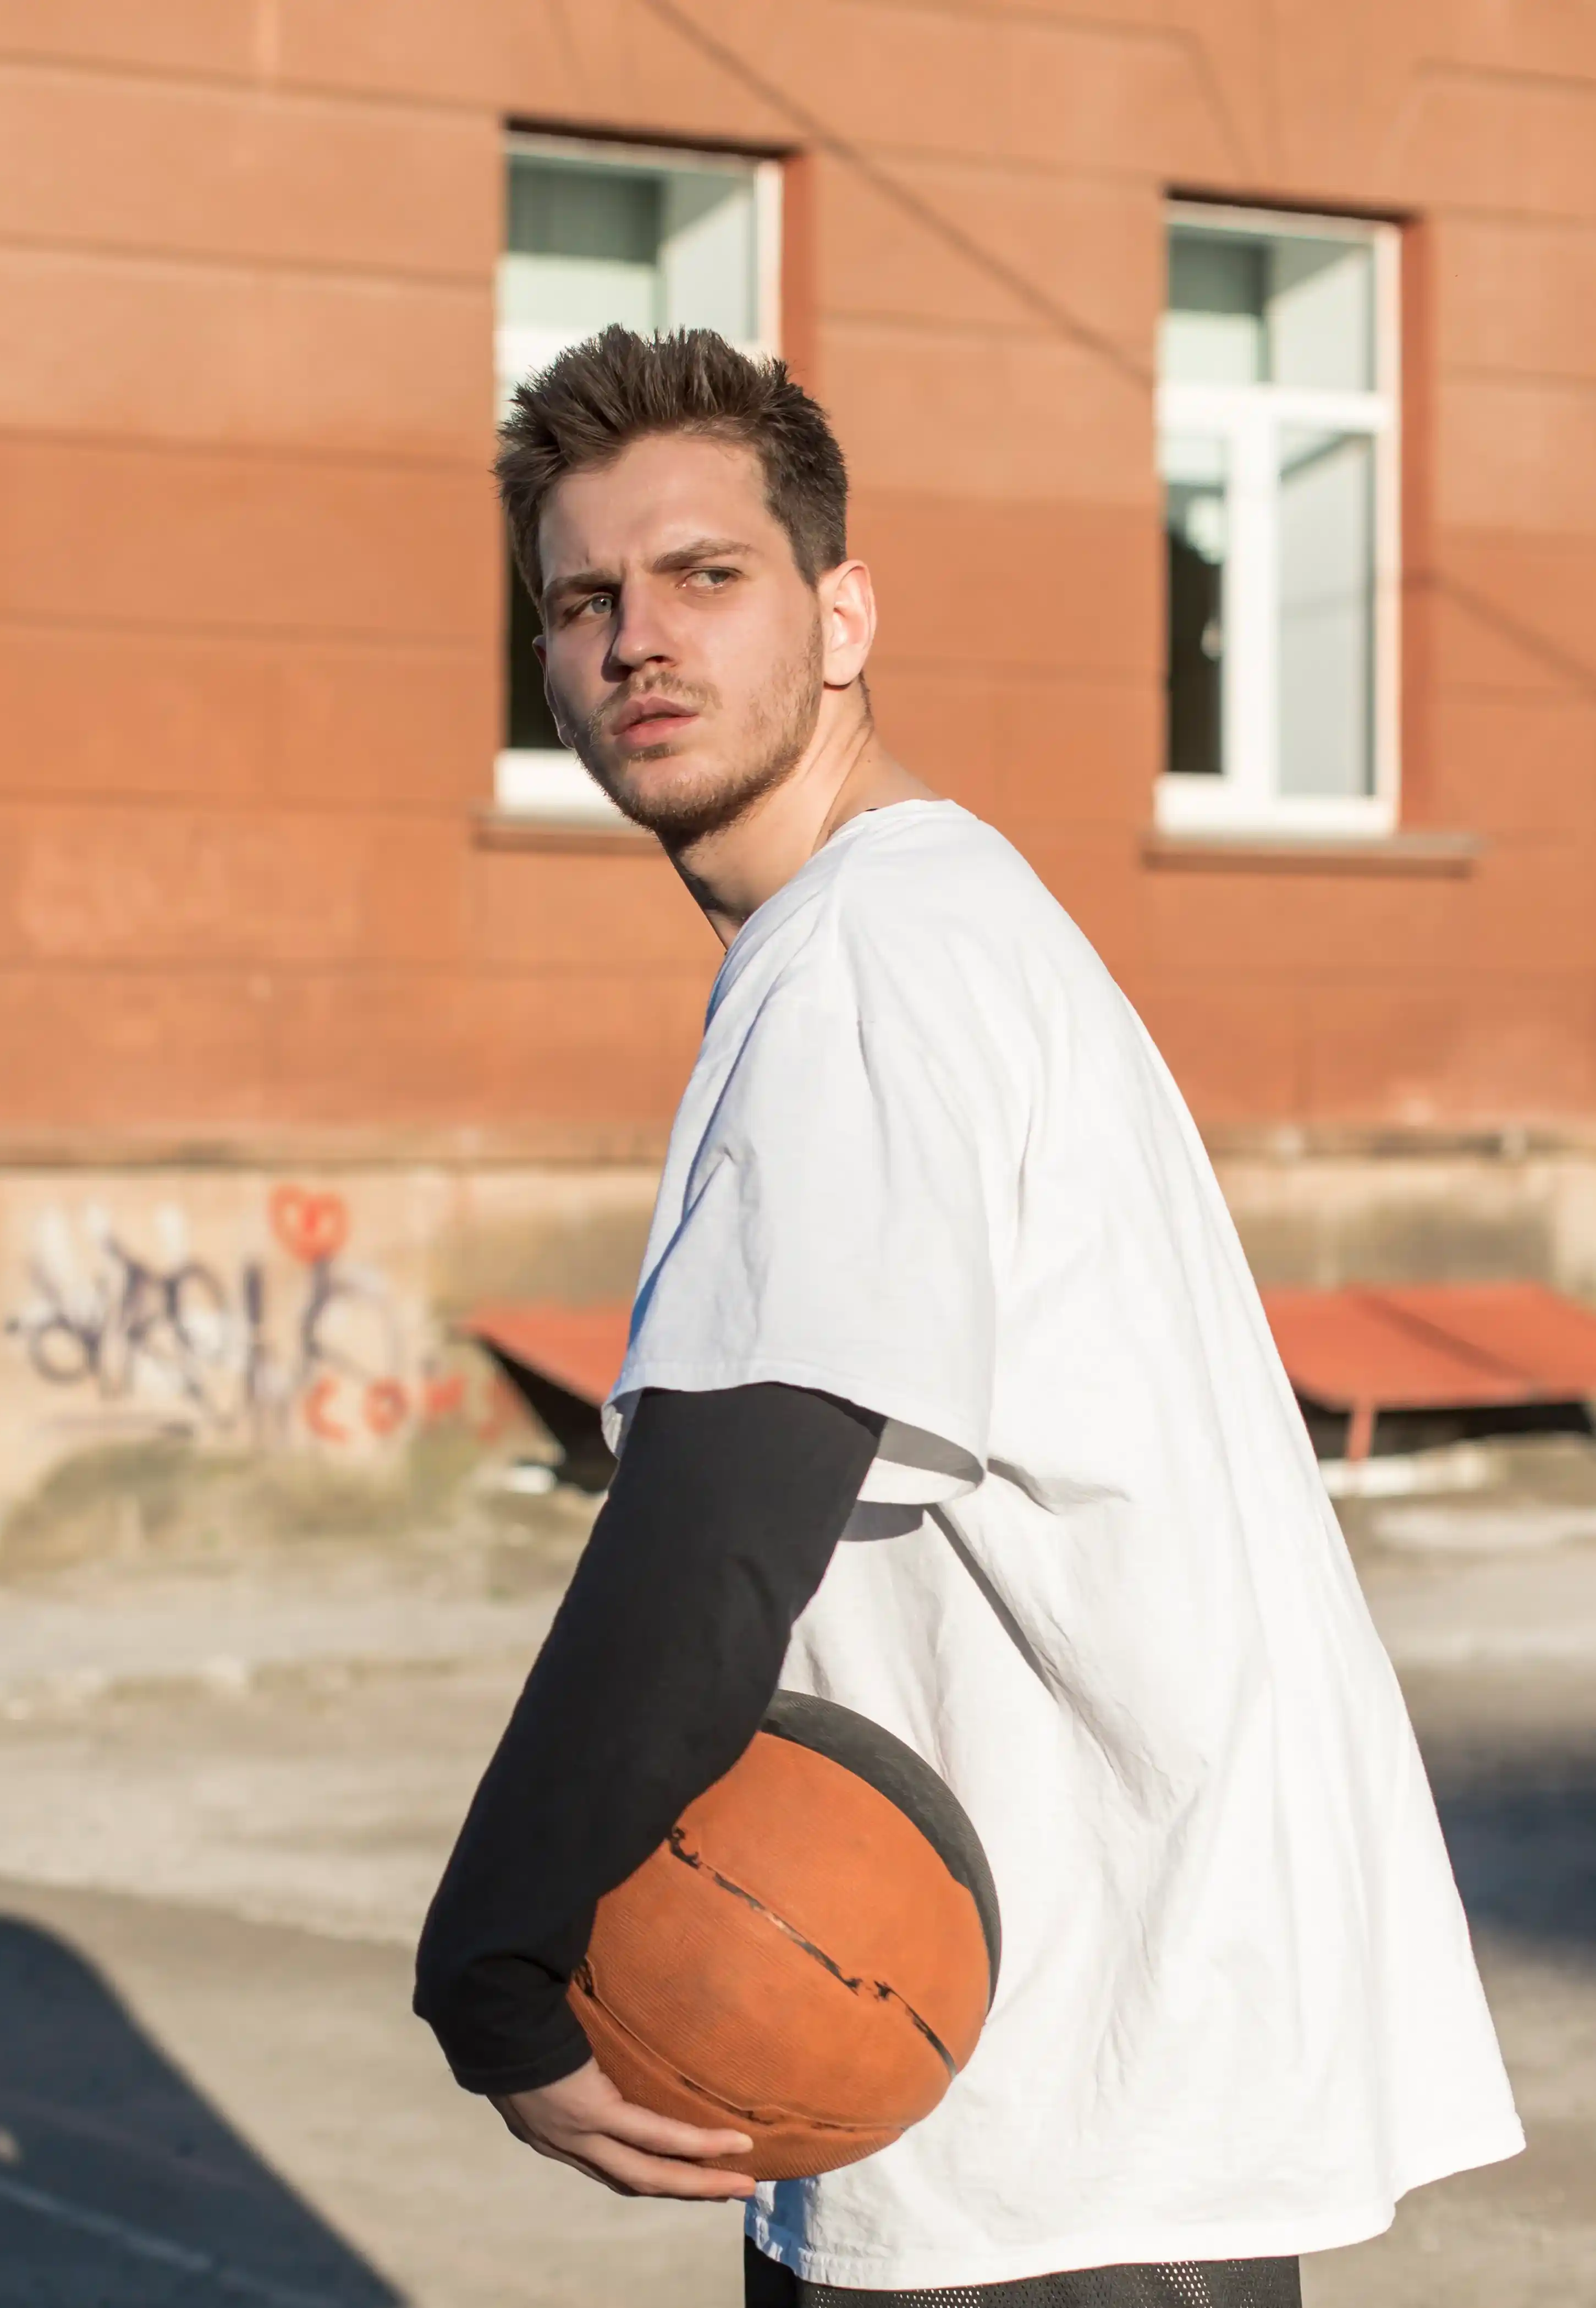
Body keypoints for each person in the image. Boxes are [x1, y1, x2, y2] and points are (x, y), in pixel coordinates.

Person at [414, 327, 1523, 2305]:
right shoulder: (931, 918)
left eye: (703, 574)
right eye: (582, 602)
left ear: (840, 616)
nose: (636, 639)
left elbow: (730, 1496)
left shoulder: (868, 957)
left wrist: (494, 1946)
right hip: (1097, 2093)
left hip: (1062, 2133)